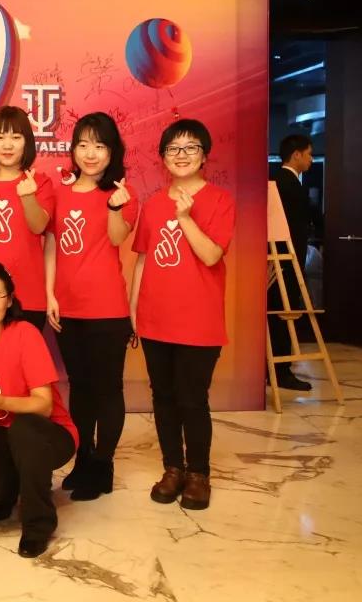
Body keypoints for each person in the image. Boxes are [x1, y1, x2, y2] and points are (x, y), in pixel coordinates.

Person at [130, 119, 235, 511]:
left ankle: (198, 474)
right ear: (163, 158)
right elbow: (143, 259)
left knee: (192, 399)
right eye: (173, 148)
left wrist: (186, 217)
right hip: (155, 318)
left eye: (191, 148)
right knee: (163, 397)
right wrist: (134, 309)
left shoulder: (220, 200)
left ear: (204, 156)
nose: (181, 155)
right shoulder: (153, 203)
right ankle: (172, 468)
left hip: (199, 321)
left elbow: (211, 255)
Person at [44, 112, 138, 501]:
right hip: (68, 309)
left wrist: (115, 207)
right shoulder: (60, 192)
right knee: (79, 388)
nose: (90, 153)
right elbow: (51, 244)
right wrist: (50, 294)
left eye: (99, 145)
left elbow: (117, 238)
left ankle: (103, 464)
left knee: (107, 389)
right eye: (83, 144)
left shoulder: (121, 194)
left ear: (112, 151)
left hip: (107, 310)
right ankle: (83, 459)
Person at [0, 262, 78, 559]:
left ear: (9, 300)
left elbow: (43, 405)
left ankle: (38, 524)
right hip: (2, 433)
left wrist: (1, 402)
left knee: (24, 429)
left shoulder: (25, 334)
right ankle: (10, 487)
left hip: (48, 433)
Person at [0, 106, 56, 336]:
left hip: (28, 296)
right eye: (0, 137)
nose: (7, 145)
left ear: (27, 143)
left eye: (16, 137)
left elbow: (39, 226)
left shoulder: (41, 183)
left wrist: (28, 196)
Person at [268, 134, 315, 391]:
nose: (311, 160)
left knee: (278, 313)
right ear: (296, 154)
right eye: (309, 154)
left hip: (280, 259)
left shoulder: (278, 181)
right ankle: (281, 370)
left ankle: (274, 368)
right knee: (283, 312)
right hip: (285, 260)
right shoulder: (286, 184)